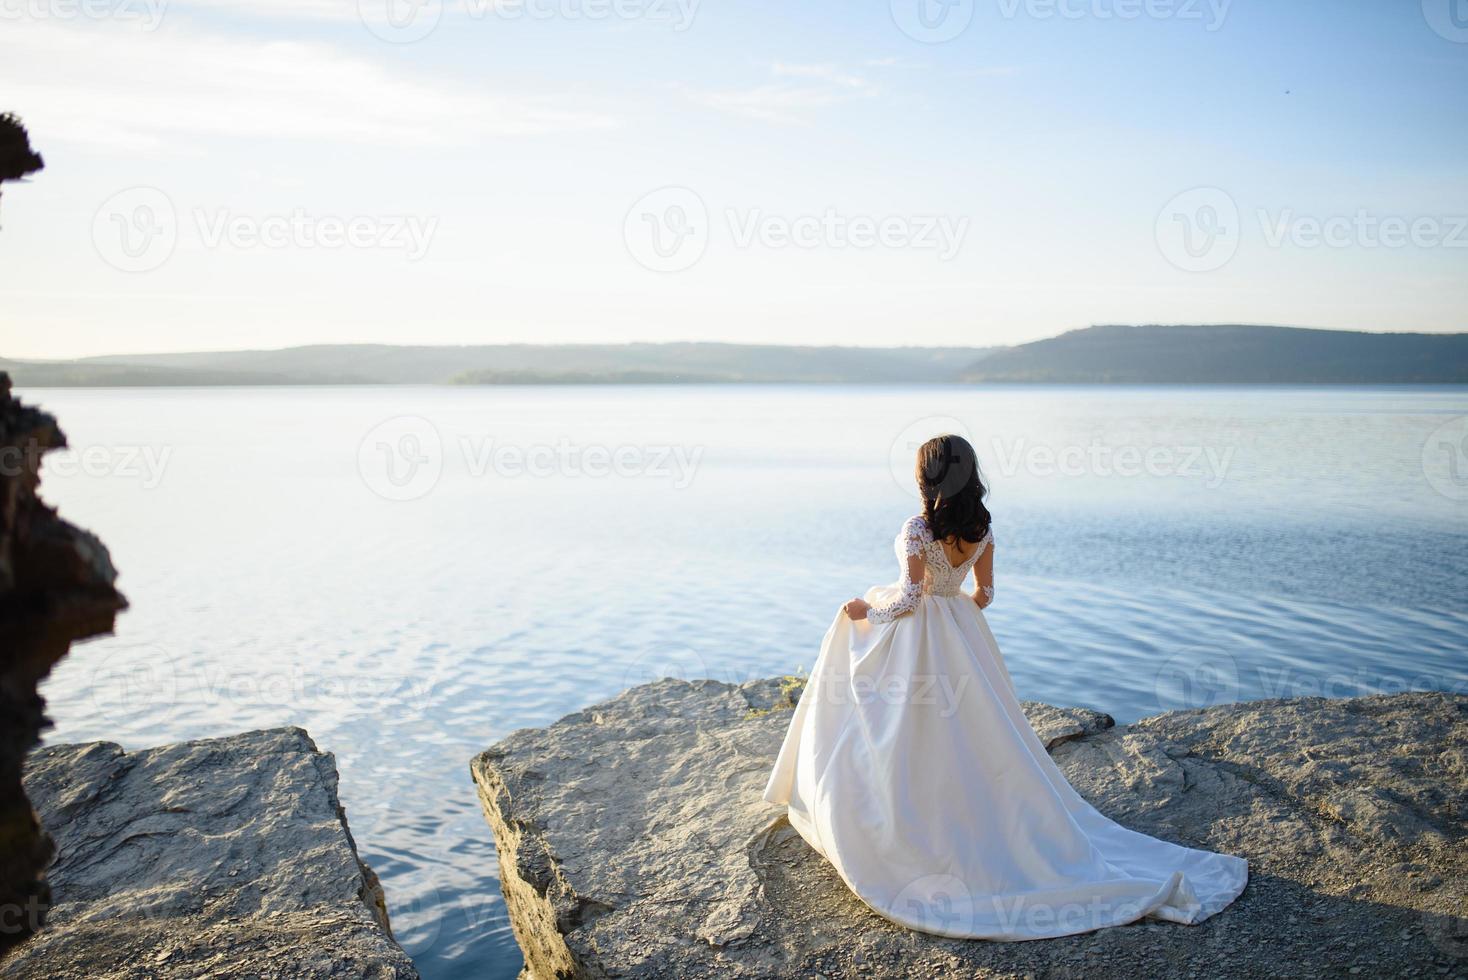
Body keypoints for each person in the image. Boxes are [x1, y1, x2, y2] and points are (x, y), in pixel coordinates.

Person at [763, 433, 1247, 939]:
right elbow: (985, 594)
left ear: (925, 477)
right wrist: (954, 622)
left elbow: (907, 599)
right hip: (961, 631)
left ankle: (884, 807)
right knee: (973, 726)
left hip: (919, 635)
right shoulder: (983, 527)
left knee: (868, 665)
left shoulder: (917, 528)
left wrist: (867, 611)